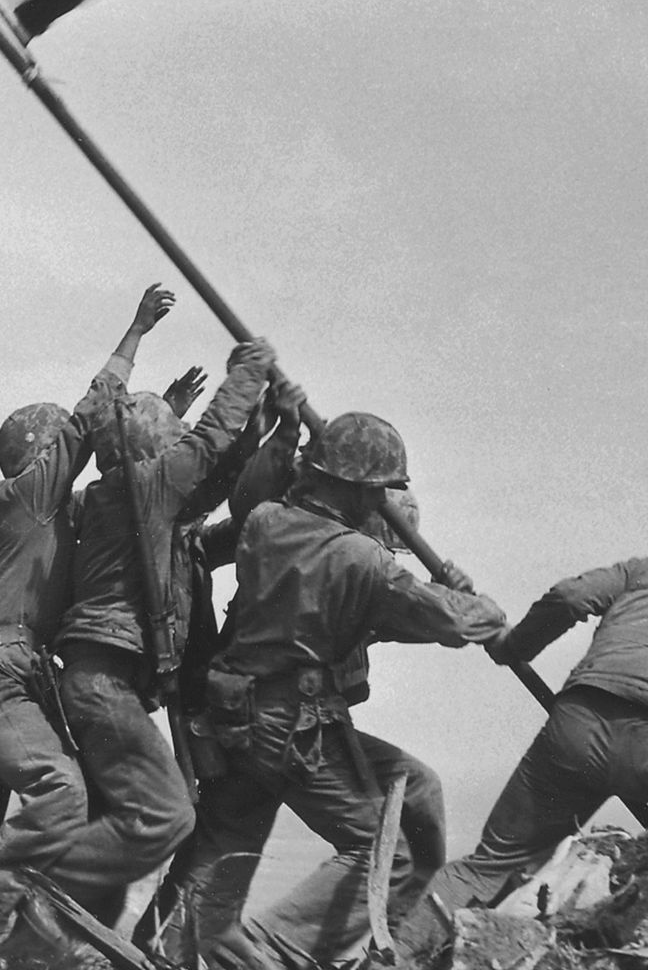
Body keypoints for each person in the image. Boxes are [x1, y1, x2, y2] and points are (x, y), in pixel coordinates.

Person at [0, 284, 176, 955]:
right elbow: (91, 417)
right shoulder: (30, 497)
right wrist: (135, 332)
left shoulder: (43, 516)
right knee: (61, 792)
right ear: (43, 454)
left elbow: (125, 474)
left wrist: (167, 419)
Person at [171, 412, 507, 970]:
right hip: (295, 725)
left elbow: (376, 614)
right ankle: (273, 951)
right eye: (376, 492)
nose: (380, 502)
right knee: (385, 853)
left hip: (238, 718)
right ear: (353, 487)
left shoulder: (267, 523)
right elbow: (454, 622)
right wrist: (469, 598)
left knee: (409, 789)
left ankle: (172, 946)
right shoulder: (362, 559)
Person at [409, 542, 648, 932]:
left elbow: (569, 596)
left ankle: (394, 953)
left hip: (573, 733)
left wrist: (515, 647)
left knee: (488, 865)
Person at [45, 336, 284, 923]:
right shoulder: (142, 488)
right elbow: (207, 448)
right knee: (168, 816)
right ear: (153, 451)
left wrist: (273, 431)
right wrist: (248, 373)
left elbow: (223, 494)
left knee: (120, 827)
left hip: (107, 682)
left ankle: (64, 936)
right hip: (105, 683)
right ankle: (12, 890)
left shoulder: (133, 506)